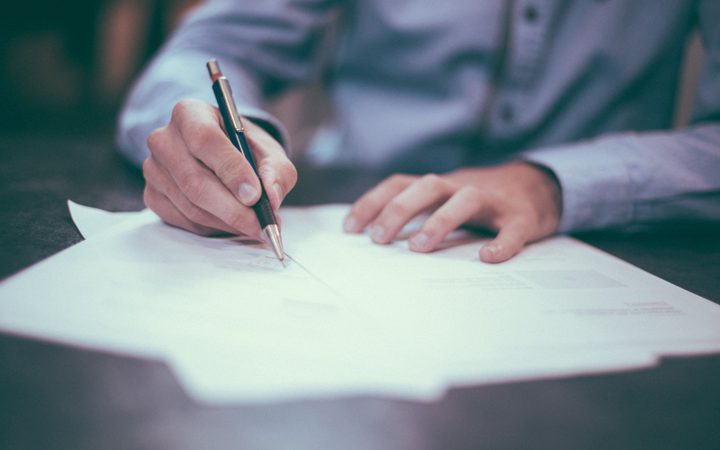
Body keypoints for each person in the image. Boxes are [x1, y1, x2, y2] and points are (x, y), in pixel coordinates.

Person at [117, 0, 720, 263]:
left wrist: (553, 183)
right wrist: (211, 133)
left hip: (612, 239)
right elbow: (203, 51)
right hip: (353, 217)